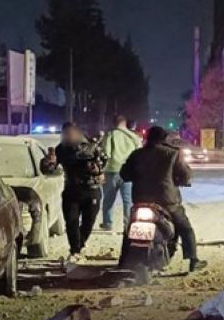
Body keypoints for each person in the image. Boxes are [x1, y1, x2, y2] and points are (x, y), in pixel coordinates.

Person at [120, 126, 207, 273]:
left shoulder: (137, 154)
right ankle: (193, 259)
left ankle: (123, 261)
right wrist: (181, 181)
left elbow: (124, 174)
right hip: (167, 201)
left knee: (130, 228)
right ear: (164, 139)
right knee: (185, 228)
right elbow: (185, 176)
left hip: (141, 200)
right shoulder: (173, 154)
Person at [40, 122, 107, 261]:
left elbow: (103, 161)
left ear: (77, 133)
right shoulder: (61, 149)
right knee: (71, 222)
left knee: (88, 222)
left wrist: (97, 170)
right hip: (71, 190)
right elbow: (48, 170)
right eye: (65, 134)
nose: (68, 136)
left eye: (71, 133)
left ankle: (80, 244)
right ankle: (75, 250)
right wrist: (48, 162)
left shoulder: (91, 146)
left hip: (91, 190)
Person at [100, 115, 143, 231]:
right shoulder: (134, 137)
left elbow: (106, 153)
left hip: (112, 171)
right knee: (128, 201)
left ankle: (107, 223)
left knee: (108, 199)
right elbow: (139, 152)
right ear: (125, 123)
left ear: (114, 123)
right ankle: (128, 224)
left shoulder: (110, 135)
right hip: (128, 173)